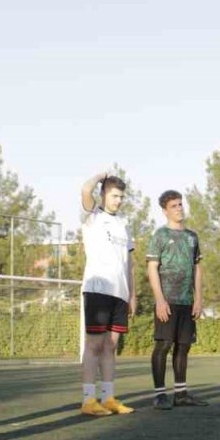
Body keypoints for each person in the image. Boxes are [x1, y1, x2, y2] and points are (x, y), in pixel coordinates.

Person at [78, 173, 136, 416]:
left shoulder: (124, 224)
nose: (118, 200)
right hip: (97, 289)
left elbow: (129, 263)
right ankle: (89, 400)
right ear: (103, 194)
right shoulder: (92, 217)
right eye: (114, 196)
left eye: (121, 197)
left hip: (119, 293)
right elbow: (84, 190)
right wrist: (100, 176)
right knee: (94, 344)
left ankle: (109, 397)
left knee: (111, 346)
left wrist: (132, 294)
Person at [146, 190, 208, 409]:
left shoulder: (192, 237)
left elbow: (197, 268)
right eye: (174, 205)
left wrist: (198, 299)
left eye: (180, 204)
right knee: (164, 345)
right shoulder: (160, 235)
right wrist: (160, 300)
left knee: (183, 347)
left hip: (187, 300)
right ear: (165, 211)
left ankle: (180, 394)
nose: (179, 208)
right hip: (168, 300)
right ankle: (160, 395)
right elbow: (152, 268)